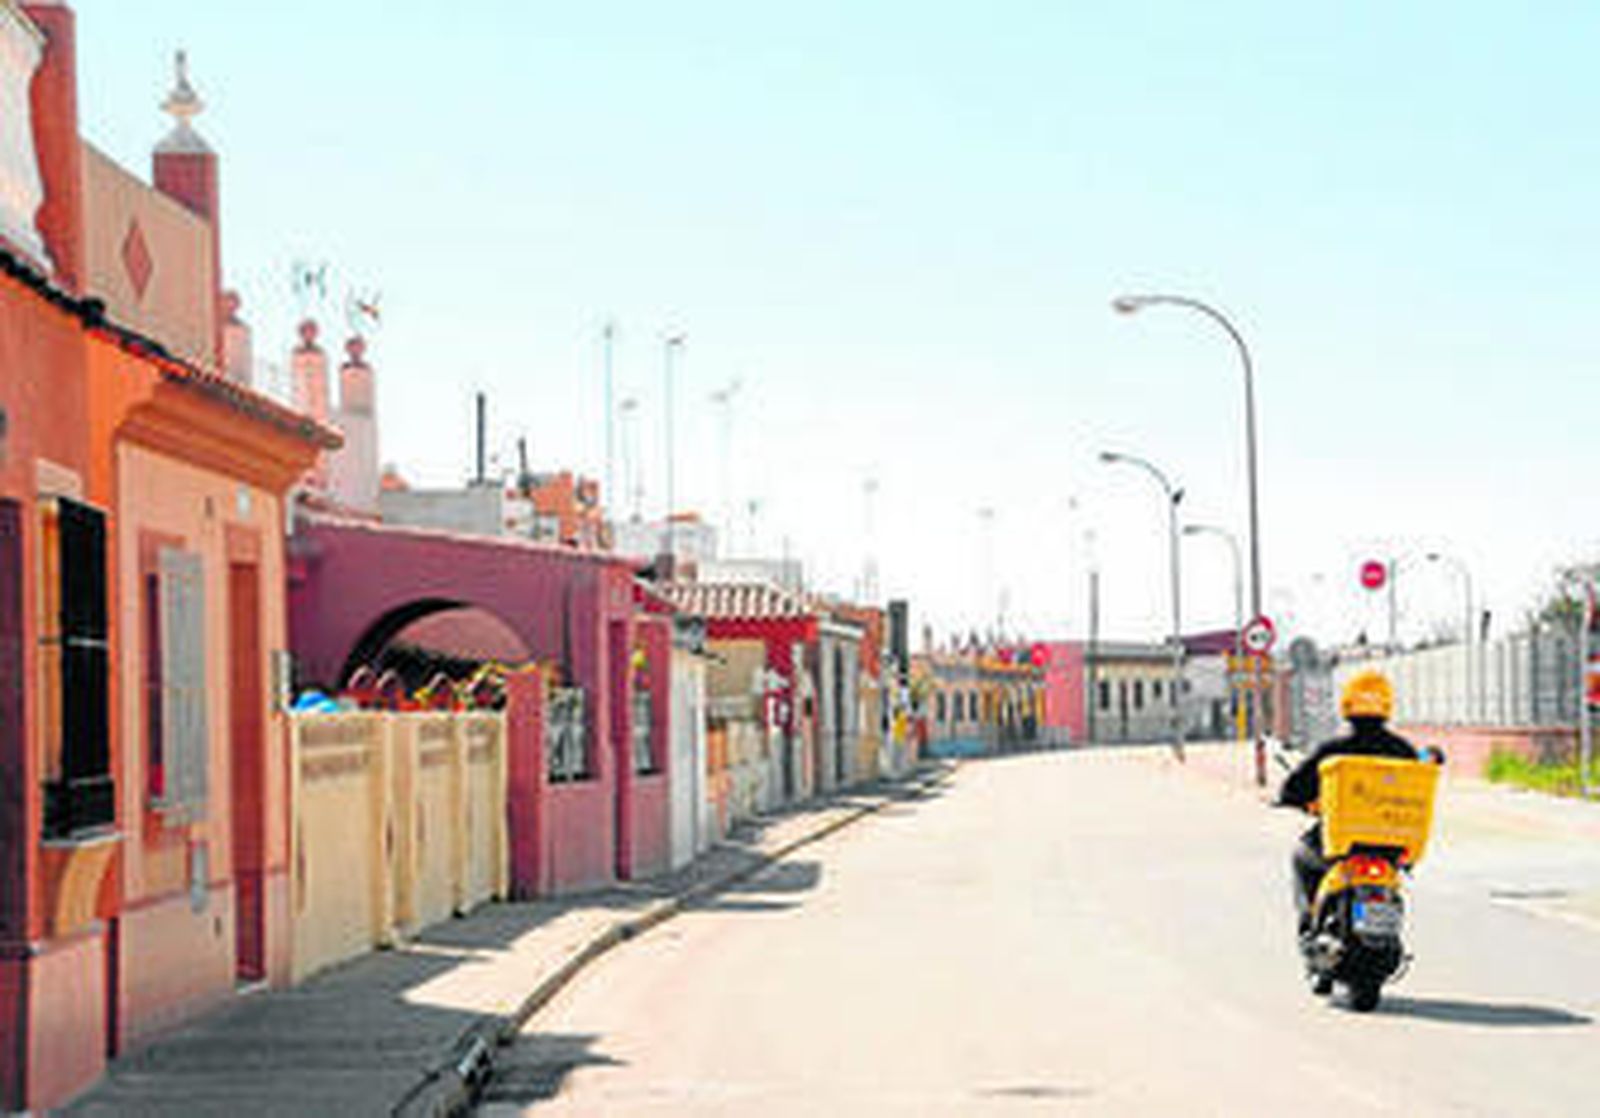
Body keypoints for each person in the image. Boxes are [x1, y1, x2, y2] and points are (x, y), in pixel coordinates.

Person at [1277, 670, 1419, 936]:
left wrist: (1289, 799)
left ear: (1346, 705)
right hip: (1390, 847)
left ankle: (1310, 923)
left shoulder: (1334, 751)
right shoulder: (1405, 752)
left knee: (1301, 855)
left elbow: (1295, 788)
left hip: (1340, 843)